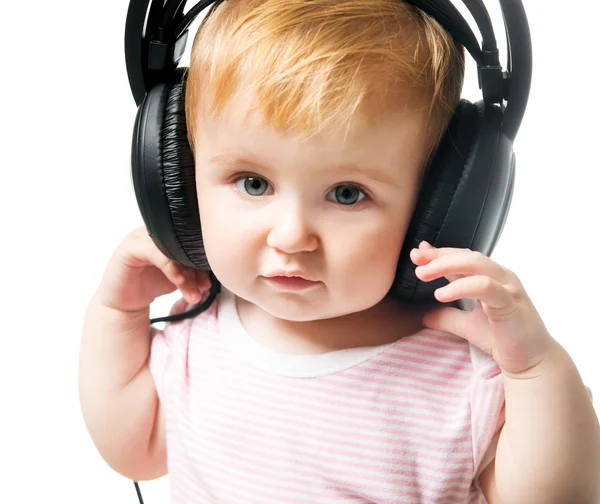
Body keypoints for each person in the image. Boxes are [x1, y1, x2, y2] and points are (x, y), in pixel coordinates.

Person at [78, 0, 600, 502]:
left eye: (347, 194)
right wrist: (118, 312)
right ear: (179, 184)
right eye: (253, 183)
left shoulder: (460, 376)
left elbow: (557, 497)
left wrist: (535, 370)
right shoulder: (199, 332)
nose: (290, 236)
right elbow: (137, 451)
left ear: (443, 206)